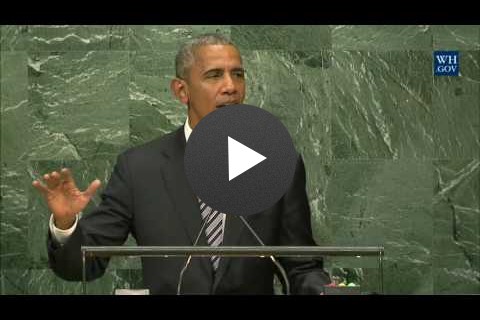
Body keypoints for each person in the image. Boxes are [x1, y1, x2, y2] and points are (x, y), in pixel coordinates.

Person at [32, 33, 331, 294]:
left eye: (238, 74)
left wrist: (325, 292)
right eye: (214, 75)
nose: (231, 86)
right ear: (181, 91)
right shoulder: (139, 168)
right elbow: (83, 267)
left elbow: (301, 265)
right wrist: (65, 225)